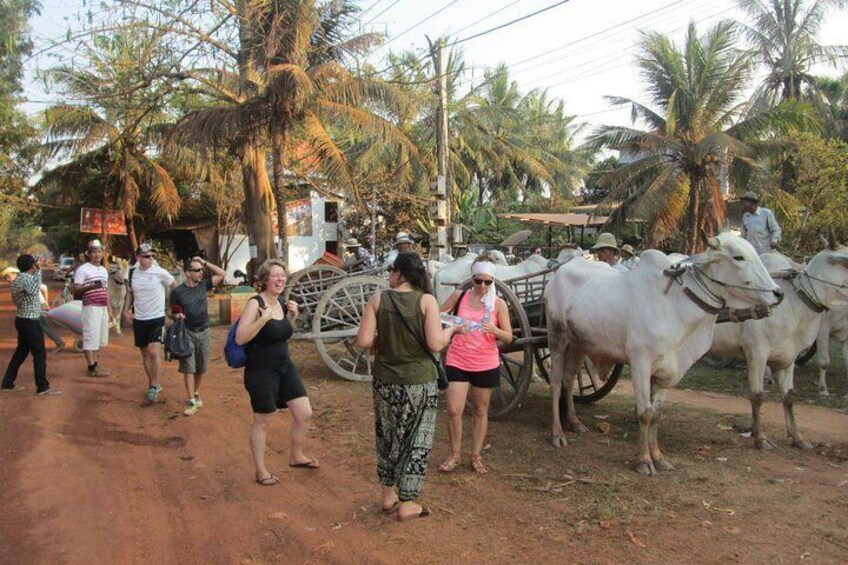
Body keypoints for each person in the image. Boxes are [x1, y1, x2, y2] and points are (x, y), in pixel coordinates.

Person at [356, 252, 461, 521]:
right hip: (419, 383)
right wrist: (451, 332)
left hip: (385, 382)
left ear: (401, 273)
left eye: (391, 269)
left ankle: (388, 495)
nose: (389, 274)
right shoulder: (427, 301)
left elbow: (364, 340)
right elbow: (436, 344)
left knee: (387, 435)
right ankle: (408, 502)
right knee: (416, 440)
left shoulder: (379, 299)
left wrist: (387, 335)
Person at [235, 259, 318, 486]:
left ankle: (296, 455)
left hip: (284, 366)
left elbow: (280, 334)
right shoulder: (255, 304)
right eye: (275, 275)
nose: (280, 279)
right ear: (264, 279)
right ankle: (261, 470)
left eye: (283, 275)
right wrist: (262, 319)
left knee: (304, 413)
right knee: (262, 420)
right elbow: (240, 337)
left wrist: (292, 317)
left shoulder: (281, 303)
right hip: (261, 370)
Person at [438, 258, 513, 475]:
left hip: (485, 362)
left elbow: (508, 337)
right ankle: (454, 454)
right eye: (478, 281)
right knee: (453, 409)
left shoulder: (498, 304)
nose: (482, 286)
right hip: (458, 359)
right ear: (472, 279)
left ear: (493, 282)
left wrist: (494, 330)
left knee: (480, 410)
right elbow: (439, 316)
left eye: (487, 282)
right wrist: (453, 327)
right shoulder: (459, 296)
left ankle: (476, 456)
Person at [169, 256, 226, 416]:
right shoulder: (178, 292)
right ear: (187, 273)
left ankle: (195, 392)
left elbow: (222, 274)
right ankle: (191, 401)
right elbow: (170, 312)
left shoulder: (203, 285)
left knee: (200, 368)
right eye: (197, 270)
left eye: (202, 270)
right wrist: (177, 316)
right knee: (189, 367)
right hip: (186, 332)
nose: (201, 272)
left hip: (204, 331)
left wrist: (205, 262)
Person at [122, 243, 178, 404]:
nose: (151, 259)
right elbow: (130, 294)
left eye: (152, 256)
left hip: (156, 318)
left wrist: (169, 306)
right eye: (147, 256)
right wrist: (126, 311)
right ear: (139, 257)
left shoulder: (160, 272)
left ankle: (154, 385)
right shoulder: (132, 273)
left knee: (154, 351)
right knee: (145, 353)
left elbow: (175, 286)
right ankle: (153, 382)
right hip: (140, 319)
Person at [1, 254, 60, 395]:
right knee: (39, 354)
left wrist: (37, 272)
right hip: (30, 321)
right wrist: (39, 272)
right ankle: (42, 386)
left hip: (22, 319)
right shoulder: (26, 279)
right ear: (32, 265)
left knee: (20, 353)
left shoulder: (18, 279)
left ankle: (7, 383)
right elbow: (34, 290)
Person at [73, 239, 111, 377]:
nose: (97, 255)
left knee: (98, 338)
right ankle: (91, 367)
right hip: (90, 307)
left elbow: (106, 292)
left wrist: (110, 310)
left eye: (99, 251)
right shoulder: (83, 270)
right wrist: (91, 286)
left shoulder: (103, 270)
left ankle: (95, 364)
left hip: (102, 308)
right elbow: (76, 290)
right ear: (89, 254)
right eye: (94, 252)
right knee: (90, 337)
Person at [38, 284, 66, 352]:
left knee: (42, 325)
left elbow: (44, 287)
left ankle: (59, 342)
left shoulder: (27, 280)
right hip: (36, 306)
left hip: (39, 305)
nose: (7, 279)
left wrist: (46, 302)